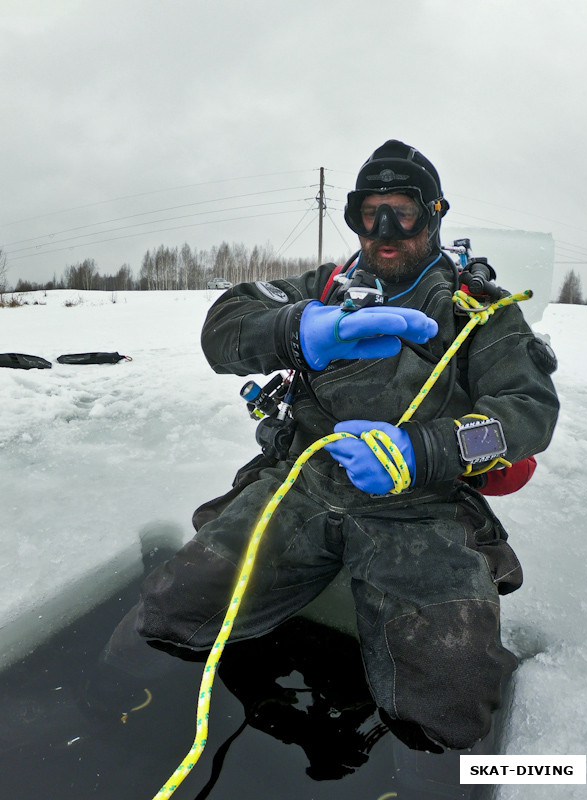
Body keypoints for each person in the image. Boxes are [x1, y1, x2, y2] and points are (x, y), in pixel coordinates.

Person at [106, 140, 560, 750]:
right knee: (172, 605)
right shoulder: (324, 287)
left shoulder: (480, 313)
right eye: (368, 214)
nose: (384, 231)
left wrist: (422, 452)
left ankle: (491, 779)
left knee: (455, 697)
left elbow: (526, 412)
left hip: (420, 504)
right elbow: (223, 327)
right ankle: (114, 719)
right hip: (303, 482)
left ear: (434, 216)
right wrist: (295, 331)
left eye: (402, 212)